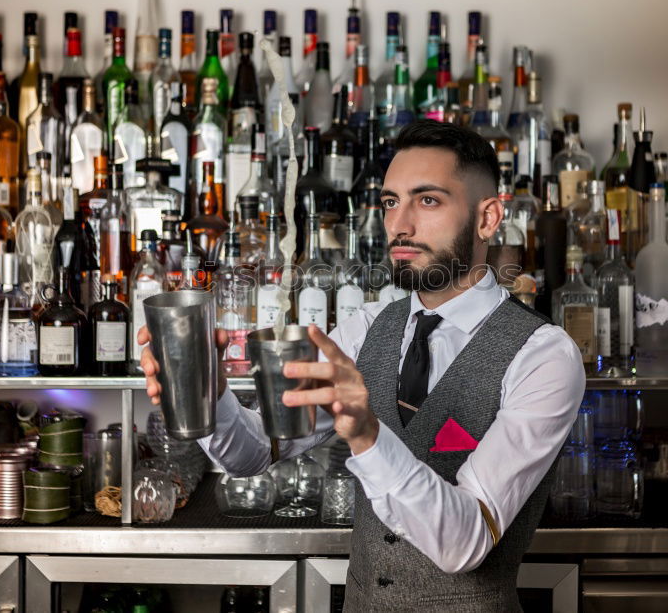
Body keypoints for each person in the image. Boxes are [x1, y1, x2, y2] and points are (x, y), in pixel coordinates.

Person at [138, 119, 585, 612]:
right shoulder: (366, 328)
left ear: (487, 218)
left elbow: (466, 542)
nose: (400, 224)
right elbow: (251, 454)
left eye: (428, 200)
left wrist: (368, 433)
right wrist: (205, 387)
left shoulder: (544, 356)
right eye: (392, 202)